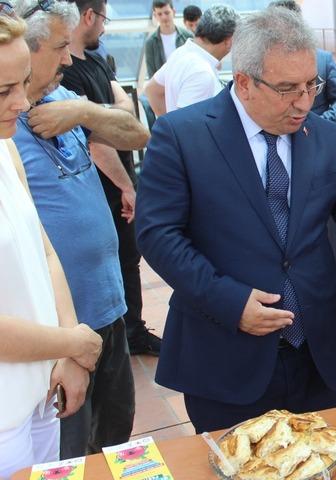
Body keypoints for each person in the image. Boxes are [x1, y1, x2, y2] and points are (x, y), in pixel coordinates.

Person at [135, 7, 336, 433]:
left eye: (310, 85)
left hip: (315, 351)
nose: (304, 102)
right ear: (243, 82)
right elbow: (158, 236)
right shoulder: (181, 136)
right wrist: (229, 301)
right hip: (226, 355)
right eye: (287, 89)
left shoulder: (324, 136)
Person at [11, 0, 148, 458]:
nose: (69, 59)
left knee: (115, 432)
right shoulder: (8, 128)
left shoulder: (61, 100)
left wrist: (83, 113)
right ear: (27, 52)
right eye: (60, 48)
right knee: (67, 452)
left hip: (106, 308)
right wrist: (66, 341)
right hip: (56, 330)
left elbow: (135, 134)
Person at [0, 10, 102, 476]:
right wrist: (72, 340)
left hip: (39, 390)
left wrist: (67, 350)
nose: (21, 103)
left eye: (23, 83)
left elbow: (42, 251)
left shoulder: (5, 148)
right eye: (4, 91)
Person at [62, 0, 162, 357]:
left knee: (128, 258)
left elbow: (126, 108)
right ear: (88, 15)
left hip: (116, 183)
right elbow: (95, 141)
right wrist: (126, 186)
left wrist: (99, 111)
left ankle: (132, 330)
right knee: (113, 261)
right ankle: (117, 335)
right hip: (103, 186)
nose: (104, 27)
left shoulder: (96, 61)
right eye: (103, 18)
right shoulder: (68, 72)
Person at [270, 0, 336, 315]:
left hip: (318, 154)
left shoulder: (323, 60)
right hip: (278, 155)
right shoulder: (266, 67)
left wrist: (317, 124)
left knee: (335, 228)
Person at [144, 4, 239, 115]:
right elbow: (188, 126)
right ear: (228, 41)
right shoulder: (201, 73)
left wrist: (168, 125)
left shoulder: (180, 53)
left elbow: (152, 90)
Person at [143, 0, 192, 78]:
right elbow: (152, 74)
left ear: (174, 12)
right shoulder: (150, 43)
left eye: (167, 13)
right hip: (164, 88)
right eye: (159, 14)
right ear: (155, 16)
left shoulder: (188, 36)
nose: (164, 17)